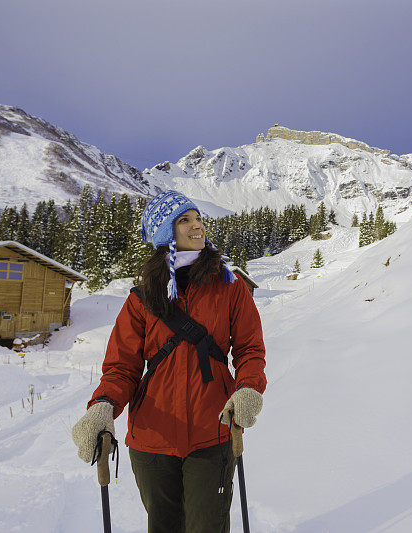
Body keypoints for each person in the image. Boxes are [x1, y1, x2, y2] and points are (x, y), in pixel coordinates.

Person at [71, 190, 267, 533]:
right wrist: (103, 405)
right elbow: (122, 367)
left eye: (198, 218)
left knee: (207, 526)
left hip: (214, 433)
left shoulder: (229, 286)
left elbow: (250, 350)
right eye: (184, 220)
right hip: (152, 440)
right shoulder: (142, 297)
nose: (197, 227)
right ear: (166, 235)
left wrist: (248, 388)